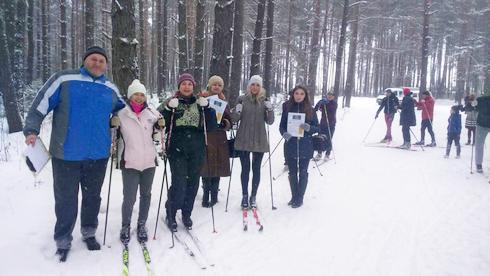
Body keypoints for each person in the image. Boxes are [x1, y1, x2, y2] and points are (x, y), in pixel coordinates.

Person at [23, 46, 125, 262]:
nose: (97, 63)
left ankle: (88, 232)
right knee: (65, 199)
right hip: (66, 153)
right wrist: (32, 130)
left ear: (106, 65)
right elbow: (39, 106)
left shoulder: (110, 88)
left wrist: (118, 116)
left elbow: (125, 108)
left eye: (101, 60)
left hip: (98, 154)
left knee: (92, 197)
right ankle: (63, 239)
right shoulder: (64, 80)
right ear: (85, 60)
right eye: (93, 59)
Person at [158, 73, 216, 231]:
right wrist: (169, 109)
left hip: (197, 148)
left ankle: (186, 213)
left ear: (193, 86)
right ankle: (171, 211)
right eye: (183, 84)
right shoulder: (172, 102)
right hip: (177, 149)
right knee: (179, 183)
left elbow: (211, 126)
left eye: (189, 84)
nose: (186, 87)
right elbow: (160, 123)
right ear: (179, 86)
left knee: (192, 183)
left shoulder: (200, 103)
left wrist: (208, 109)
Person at [116, 79, 165, 245]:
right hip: (130, 161)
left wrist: (160, 125)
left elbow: (161, 130)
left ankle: (142, 224)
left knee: (146, 195)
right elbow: (111, 134)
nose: (139, 97)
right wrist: (111, 125)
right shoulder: (121, 113)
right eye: (136, 94)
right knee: (129, 197)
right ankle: (125, 225)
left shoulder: (151, 112)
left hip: (149, 161)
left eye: (142, 94)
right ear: (130, 96)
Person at [231, 75, 274, 209]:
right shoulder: (242, 99)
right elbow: (234, 119)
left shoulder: (264, 100)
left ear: (261, 87)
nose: (255, 87)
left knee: (256, 169)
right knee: (245, 169)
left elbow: (270, 121)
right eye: (253, 85)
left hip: (259, 139)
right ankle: (245, 195)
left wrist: (270, 109)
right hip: (244, 138)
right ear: (249, 86)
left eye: (257, 85)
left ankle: (253, 196)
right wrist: (237, 110)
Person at [280, 86, 319, 208]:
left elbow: (317, 128)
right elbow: (282, 126)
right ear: (293, 95)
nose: (299, 96)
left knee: (303, 172)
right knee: (292, 173)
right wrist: (284, 134)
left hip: (305, 145)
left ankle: (300, 197)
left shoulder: (311, 110)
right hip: (290, 145)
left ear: (305, 95)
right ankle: (294, 196)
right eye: (296, 93)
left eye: (302, 94)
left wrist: (308, 128)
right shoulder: (287, 108)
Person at [199, 75, 231, 208]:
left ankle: (214, 194)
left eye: (219, 85)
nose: (216, 87)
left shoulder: (224, 101)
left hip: (219, 138)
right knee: (206, 166)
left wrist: (224, 123)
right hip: (206, 137)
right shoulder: (202, 99)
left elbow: (229, 120)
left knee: (217, 166)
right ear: (209, 86)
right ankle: (206, 194)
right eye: (214, 84)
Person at [313, 92, 337, 160]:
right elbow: (316, 109)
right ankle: (319, 153)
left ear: (333, 97)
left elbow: (331, 110)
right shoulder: (324, 103)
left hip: (331, 124)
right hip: (323, 123)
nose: (329, 96)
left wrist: (327, 104)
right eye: (328, 95)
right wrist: (319, 102)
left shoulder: (334, 103)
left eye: (331, 95)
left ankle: (327, 154)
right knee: (320, 138)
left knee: (329, 138)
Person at [474, 93, 490, 173]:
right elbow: (472, 107)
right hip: (481, 125)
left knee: (479, 145)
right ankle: (478, 164)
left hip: (481, 124)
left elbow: (471, 108)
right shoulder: (480, 100)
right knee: (479, 145)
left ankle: (478, 164)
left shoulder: (480, 99)